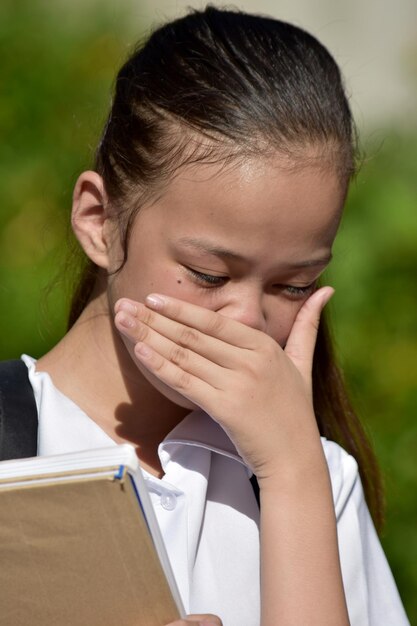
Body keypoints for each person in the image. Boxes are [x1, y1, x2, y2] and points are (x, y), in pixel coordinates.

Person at [4, 6, 409, 626]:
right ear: (100, 221)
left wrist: (292, 471)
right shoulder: (17, 443)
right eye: (209, 275)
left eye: (294, 284)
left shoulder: (315, 476)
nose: (246, 318)